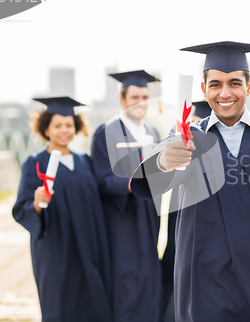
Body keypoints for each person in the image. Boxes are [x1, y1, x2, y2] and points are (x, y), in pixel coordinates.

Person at [131, 41, 250, 322]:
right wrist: (162, 161)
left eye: (234, 83)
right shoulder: (187, 136)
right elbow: (148, 185)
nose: (225, 93)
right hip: (208, 277)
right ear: (203, 89)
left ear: (248, 85)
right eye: (215, 84)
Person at [12, 97, 112, 322]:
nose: (64, 130)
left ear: (76, 127)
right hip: (56, 247)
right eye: (57, 125)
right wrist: (37, 202)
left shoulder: (85, 161)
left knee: (94, 301)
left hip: (88, 245)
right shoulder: (35, 163)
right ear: (46, 128)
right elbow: (22, 208)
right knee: (60, 305)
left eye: (68, 125)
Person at [91, 70, 162, 322]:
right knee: (126, 278)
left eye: (145, 96)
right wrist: (131, 185)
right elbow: (101, 179)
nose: (140, 102)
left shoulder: (153, 133)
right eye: (135, 96)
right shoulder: (106, 133)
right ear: (122, 99)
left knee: (149, 274)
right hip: (122, 218)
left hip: (149, 216)